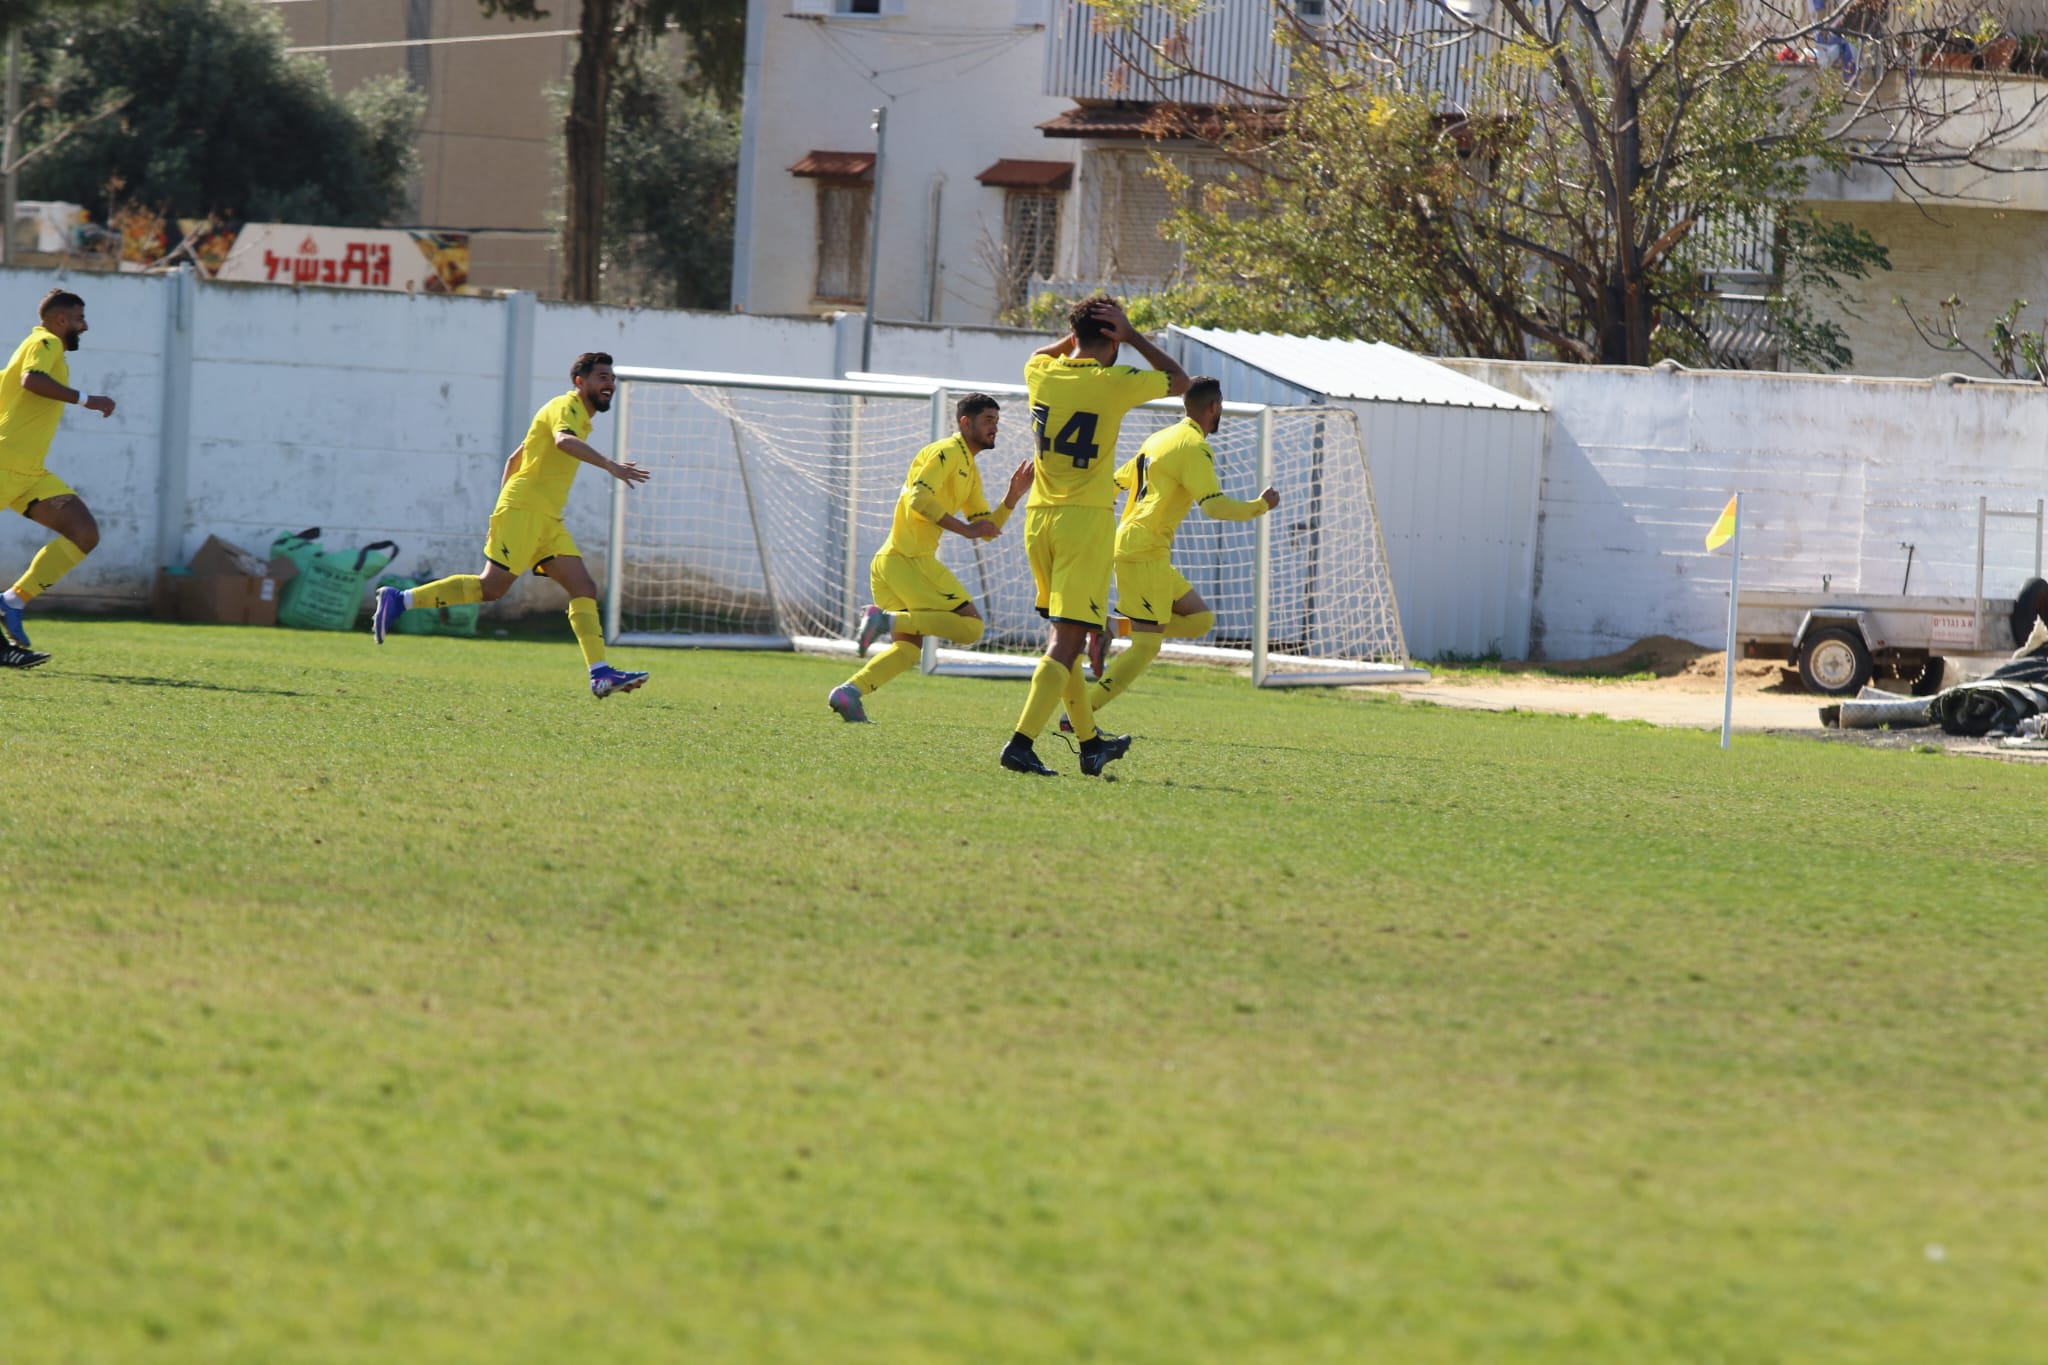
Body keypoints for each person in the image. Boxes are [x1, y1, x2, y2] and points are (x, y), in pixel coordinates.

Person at [370, 352, 652, 697]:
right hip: (526, 510)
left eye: (611, 378)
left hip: (543, 517)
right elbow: (563, 441)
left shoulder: (578, 415)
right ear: (580, 382)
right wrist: (610, 465)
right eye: (601, 377)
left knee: (584, 588)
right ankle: (400, 600)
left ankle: (600, 674)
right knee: (492, 588)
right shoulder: (567, 406)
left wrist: (500, 510)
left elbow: (514, 458)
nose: (609, 384)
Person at [1001, 296, 1188, 777]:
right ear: (1111, 340)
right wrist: (1132, 335)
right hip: (1083, 523)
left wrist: (1080, 331)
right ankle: (1021, 744)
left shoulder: (1040, 373)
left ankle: (1090, 746)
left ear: (1072, 335)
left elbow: (1045, 353)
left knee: (1071, 635)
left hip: (1039, 518)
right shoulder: (1112, 383)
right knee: (1065, 643)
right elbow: (1181, 383)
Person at [1074, 377, 1279, 720]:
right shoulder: (1194, 447)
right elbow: (1213, 506)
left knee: (1200, 619)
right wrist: (1260, 506)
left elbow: (1115, 483)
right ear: (1214, 407)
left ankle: (1111, 628)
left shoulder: (1159, 439)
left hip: (1140, 547)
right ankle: (1083, 712)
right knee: (1147, 645)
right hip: (1145, 551)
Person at [827, 393, 1032, 722]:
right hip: (908, 559)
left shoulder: (968, 467)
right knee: (972, 628)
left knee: (908, 649)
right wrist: (964, 531)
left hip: (893, 561)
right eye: (988, 420)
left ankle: (848, 693)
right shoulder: (946, 452)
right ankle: (883, 620)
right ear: (966, 423)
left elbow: (986, 528)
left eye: (997, 420)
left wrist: (1012, 497)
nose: (996, 427)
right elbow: (920, 499)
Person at [0, 289, 116, 665]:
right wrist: (88, 399)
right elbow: (31, 381)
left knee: (84, 533)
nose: (86, 325)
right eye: (80, 318)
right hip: (4, 464)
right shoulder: (45, 341)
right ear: (61, 320)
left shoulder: (35, 349)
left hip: (29, 473)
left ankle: (13, 600)